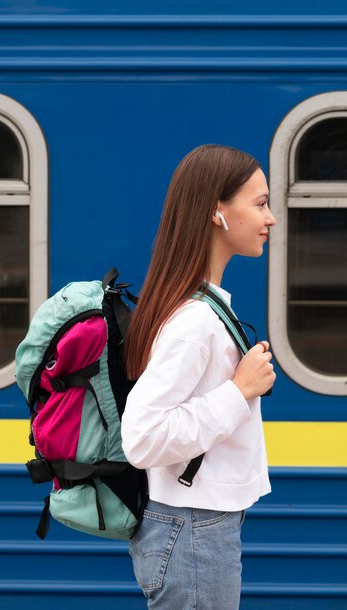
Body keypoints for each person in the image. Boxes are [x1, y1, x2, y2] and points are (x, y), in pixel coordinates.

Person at [121, 144, 276, 610]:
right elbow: (142, 438)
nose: (270, 218)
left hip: (197, 527)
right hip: (192, 533)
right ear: (217, 212)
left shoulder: (202, 306)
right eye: (261, 203)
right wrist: (238, 391)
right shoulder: (195, 321)